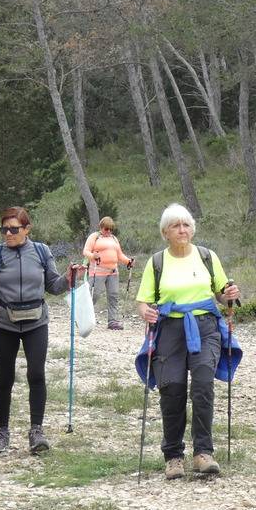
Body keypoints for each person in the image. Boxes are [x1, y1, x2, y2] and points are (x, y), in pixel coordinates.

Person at [136, 203, 241, 481]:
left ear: (192, 229)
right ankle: (173, 456)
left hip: (206, 327)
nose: (182, 230)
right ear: (165, 232)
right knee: (172, 389)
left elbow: (222, 294)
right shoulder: (156, 262)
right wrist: (145, 311)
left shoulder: (207, 257)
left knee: (203, 385)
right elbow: (144, 300)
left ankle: (203, 453)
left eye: (186, 225)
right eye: (175, 226)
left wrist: (229, 294)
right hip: (169, 328)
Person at [0, 206, 83, 456]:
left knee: (36, 374)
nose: (8, 234)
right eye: (4, 229)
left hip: (36, 322)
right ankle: (2, 432)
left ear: (27, 229)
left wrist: (68, 278)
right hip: (3, 322)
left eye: (14, 229)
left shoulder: (42, 251)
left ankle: (37, 431)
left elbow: (53, 286)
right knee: (4, 377)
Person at [82, 216, 133, 331]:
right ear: (101, 227)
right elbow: (85, 251)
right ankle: (83, 319)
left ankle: (113, 321)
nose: (108, 231)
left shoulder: (114, 239)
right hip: (97, 271)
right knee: (94, 295)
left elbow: (119, 255)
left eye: (110, 229)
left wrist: (128, 261)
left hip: (113, 272)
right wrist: (93, 256)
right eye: (106, 229)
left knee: (113, 296)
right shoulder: (95, 237)